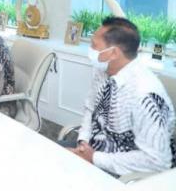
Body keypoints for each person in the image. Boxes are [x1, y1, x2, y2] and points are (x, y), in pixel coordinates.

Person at [66, 17, 175, 177]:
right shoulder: (103, 71)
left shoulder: (144, 94)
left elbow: (158, 161)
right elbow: (91, 109)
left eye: (94, 45)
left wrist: (94, 158)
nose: (90, 49)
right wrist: (83, 142)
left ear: (114, 53)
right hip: (94, 148)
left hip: (126, 171)